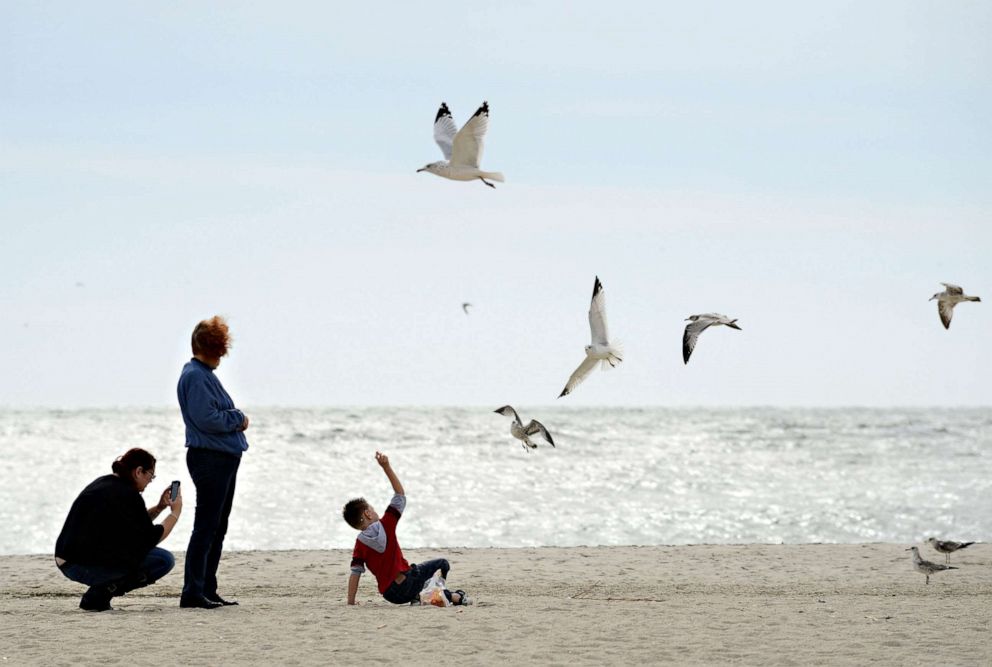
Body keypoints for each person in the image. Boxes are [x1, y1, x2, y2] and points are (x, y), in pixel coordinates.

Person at [177, 315, 249, 609]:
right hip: (211, 458)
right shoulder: (195, 375)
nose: (222, 355)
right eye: (219, 349)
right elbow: (207, 418)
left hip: (221, 458)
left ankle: (206, 587)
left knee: (217, 526)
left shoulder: (202, 374)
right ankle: (193, 591)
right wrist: (238, 418)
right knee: (206, 526)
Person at [55, 448, 182, 611]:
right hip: (80, 565)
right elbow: (151, 538)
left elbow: (135, 527)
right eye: (151, 476)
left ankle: (99, 594)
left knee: (137, 553)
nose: (150, 481)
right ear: (138, 471)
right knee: (163, 560)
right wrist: (176, 512)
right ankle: (99, 594)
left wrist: (159, 508)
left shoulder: (106, 484)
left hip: (69, 559)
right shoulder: (127, 494)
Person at [343, 452, 471, 606]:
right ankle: (446, 594)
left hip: (390, 595)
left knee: (417, 574)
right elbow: (400, 494)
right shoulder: (386, 524)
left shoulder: (359, 544)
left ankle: (420, 596)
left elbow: (355, 573)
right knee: (443, 563)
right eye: (372, 508)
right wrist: (386, 467)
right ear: (368, 513)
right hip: (407, 583)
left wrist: (351, 602)